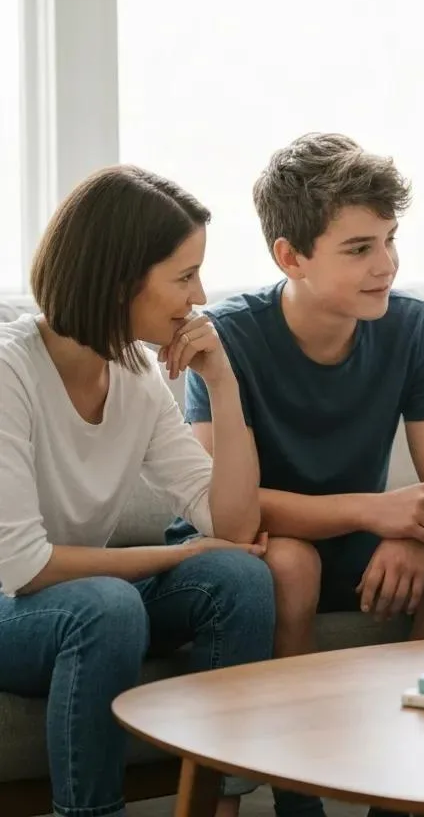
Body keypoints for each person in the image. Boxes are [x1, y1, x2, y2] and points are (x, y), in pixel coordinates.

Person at [175, 133, 424, 817]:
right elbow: (227, 508)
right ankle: (300, 799)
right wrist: (376, 513)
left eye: (390, 240)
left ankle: (408, 796)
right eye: (360, 248)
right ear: (291, 257)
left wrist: (416, 528)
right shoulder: (228, 339)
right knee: (291, 563)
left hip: (351, 539)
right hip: (256, 544)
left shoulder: (410, 326)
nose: (387, 265)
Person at [0, 166, 275, 817]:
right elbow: (25, 566)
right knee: (109, 606)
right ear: (122, 279)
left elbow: (234, 527)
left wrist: (224, 382)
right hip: (13, 606)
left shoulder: (136, 376)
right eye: (184, 276)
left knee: (240, 577)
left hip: (84, 600)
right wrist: (180, 554)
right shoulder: (10, 372)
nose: (198, 296)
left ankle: (212, 807)